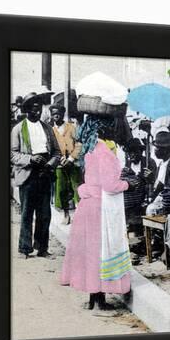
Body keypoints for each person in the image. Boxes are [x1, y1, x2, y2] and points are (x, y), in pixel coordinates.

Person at [60, 114, 137, 310]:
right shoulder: (104, 153)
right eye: (111, 127)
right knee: (101, 252)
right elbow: (110, 185)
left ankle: (94, 297)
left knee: (90, 252)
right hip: (99, 209)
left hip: (87, 206)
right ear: (103, 129)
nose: (114, 130)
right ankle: (100, 300)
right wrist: (129, 184)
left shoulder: (89, 149)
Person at [11, 92, 61, 258]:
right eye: (33, 109)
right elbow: (12, 154)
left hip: (44, 173)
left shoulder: (47, 128)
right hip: (28, 174)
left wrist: (50, 164)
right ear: (27, 110)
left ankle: (42, 248)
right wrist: (31, 159)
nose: (37, 112)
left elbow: (56, 152)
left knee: (44, 213)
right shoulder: (18, 129)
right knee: (26, 213)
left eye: (39, 109)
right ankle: (25, 249)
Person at [49, 105, 82, 225]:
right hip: (59, 164)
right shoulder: (51, 130)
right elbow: (50, 148)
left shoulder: (71, 128)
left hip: (73, 163)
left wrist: (71, 158)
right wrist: (58, 158)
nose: (56, 116)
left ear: (63, 114)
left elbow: (79, 143)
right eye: (53, 114)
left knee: (77, 188)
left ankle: (80, 215)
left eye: (58, 113)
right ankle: (66, 215)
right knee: (62, 190)